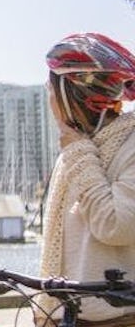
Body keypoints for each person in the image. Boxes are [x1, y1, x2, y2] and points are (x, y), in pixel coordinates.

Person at [38, 32, 135, 326]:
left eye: (53, 89)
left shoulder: (116, 146)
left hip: (118, 318)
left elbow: (117, 225)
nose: (51, 99)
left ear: (72, 92)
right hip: (64, 315)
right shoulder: (78, 148)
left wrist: (78, 150)